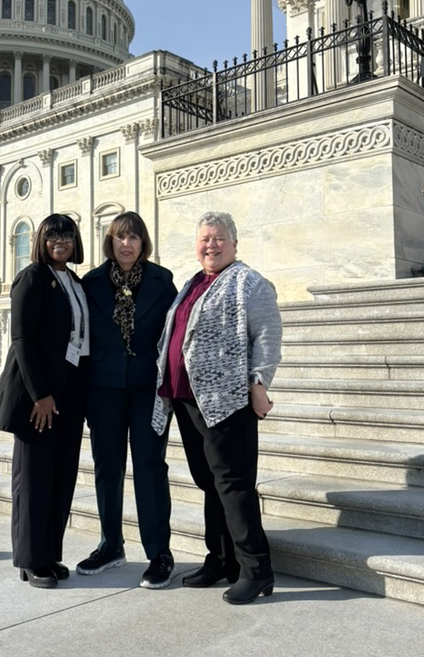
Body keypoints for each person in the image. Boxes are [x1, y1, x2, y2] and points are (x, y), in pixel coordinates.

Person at [152, 211, 282, 605]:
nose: (211, 244)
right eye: (205, 239)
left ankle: (257, 570)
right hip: (188, 400)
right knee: (209, 482)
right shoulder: (193, 283)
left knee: (233, 484)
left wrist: (259, 382)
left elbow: (267, 334)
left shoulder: (249, 282)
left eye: (219, 238)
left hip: (226, 401)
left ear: (234, 243)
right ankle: (221, 559)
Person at [76, 212, 178, 588]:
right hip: (103, 390)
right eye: (120, 237)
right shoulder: (91, 283)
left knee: (150, 468)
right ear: (110, 241)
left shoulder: (162, 281)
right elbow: (81, 340)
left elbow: (173, 336)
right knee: (108, 467)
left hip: (148, 390)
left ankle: (159, 553)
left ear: (143, 242)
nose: (126, 244)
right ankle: (111, 544)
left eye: (134, 237)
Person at [0, 213, 89, 588]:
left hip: (69, 394)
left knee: (61, 476)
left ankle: (48, 553)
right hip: (40, 398)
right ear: (41, 241)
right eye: (52, 236)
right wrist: (41, 395)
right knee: (33, 479)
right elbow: (21, 340)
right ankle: (30, 559)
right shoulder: (32, 278)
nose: (60, 241)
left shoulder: (75, 282)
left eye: (66, 235)